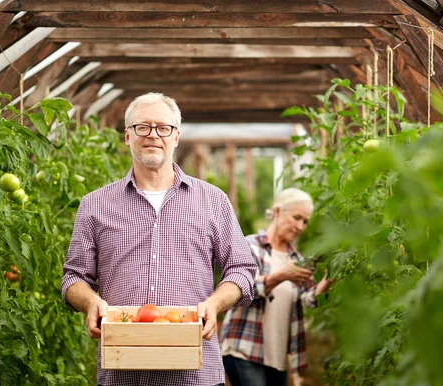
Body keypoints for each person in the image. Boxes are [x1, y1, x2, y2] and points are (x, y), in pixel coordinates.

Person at [61, 92, 257, 386]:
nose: (153, 135)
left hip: (196, 374)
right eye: (143, 127)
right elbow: (74, 276)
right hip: (122, 373)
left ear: (176, 137)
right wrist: (90, 302)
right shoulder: (95, 205)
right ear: (128, 136)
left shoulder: (213, 201)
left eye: (163, 128)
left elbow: (242, 269)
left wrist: (214, 304)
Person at [220, 188, 334, 386]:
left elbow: (310, 299)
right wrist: (281, 275)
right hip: (244, 348)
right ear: (278, 211)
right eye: (297, 217)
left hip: (277, 356)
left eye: (305, 221)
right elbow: (240, 290)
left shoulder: (296, 259)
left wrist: (329, 279)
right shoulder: (249, 246)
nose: (300, 226)